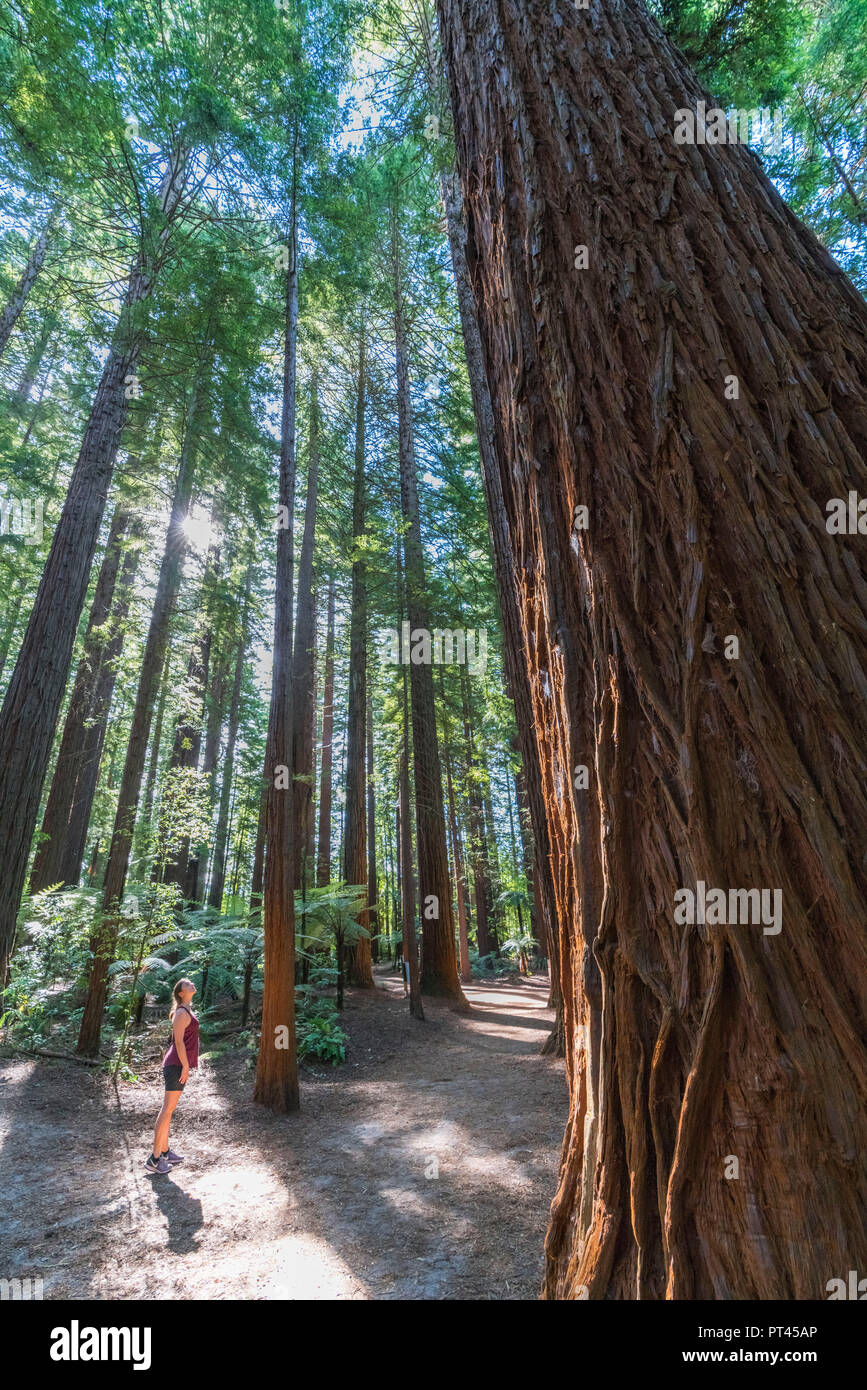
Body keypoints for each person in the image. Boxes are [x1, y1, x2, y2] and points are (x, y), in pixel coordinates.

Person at [146, 978, 199, 1175]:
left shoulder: (186, 1011)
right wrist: (185, 1066)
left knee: (169, 1110)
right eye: (187, 984)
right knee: (166, 1110)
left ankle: (165, 1152)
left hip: (179, 1065)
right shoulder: (180, 1013)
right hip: (175, 1065)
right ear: (180, 993)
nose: (191, 984)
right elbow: (178, 1042)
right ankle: (154, 1158)